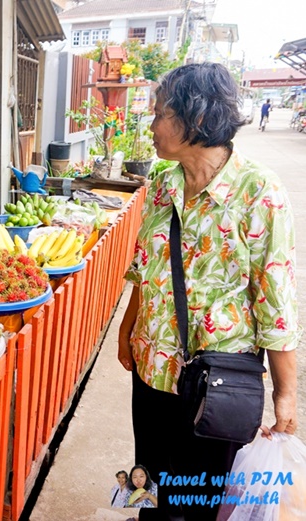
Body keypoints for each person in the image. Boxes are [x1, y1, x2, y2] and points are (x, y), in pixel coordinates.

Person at [118, 63, 299, 521]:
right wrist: (127, 330)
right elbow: (145, 267)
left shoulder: (259, 191)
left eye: (159, 114)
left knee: (195, 501)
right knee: (151, 484)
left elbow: (275, 302)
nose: (151, 125)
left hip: (216, 382)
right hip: (152, 368)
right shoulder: (162, 186)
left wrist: (285, 392)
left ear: (194, 120)